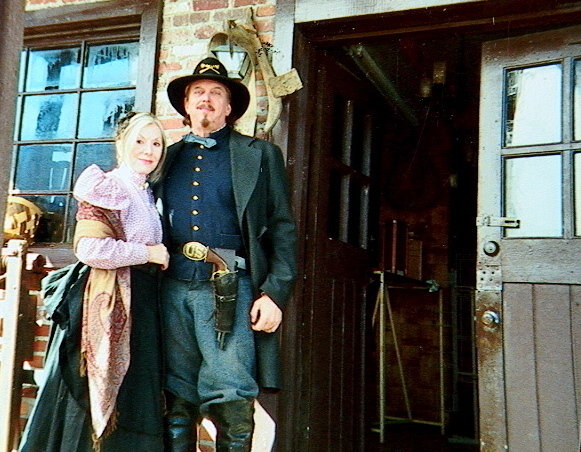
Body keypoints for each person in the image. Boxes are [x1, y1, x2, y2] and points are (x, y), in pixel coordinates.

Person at [158, 56, 297, 452]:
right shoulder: (164, 157)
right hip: (170, 289)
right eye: (197, 92)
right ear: (185, 105)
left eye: (215, 93)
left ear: (229, 107)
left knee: (231, 392)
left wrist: (275, 293)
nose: (206, 99)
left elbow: (283, 227)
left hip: (228, 290)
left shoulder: (259, 155)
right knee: (177, 393)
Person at [18, 112, 170, 452]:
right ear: (121, 145)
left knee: (133, 397)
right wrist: (149, 254)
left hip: (141, 306)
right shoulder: (108, 185)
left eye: (156, 143)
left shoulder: (147, 193)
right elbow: (90, 249)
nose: (149, 150)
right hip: (106, 305)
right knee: (91, 401)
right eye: (140, 141)